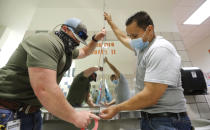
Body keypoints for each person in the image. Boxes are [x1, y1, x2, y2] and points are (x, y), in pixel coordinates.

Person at [0, 18, 105, 129]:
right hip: (8, 111)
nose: (77, 43)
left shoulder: (66, 50)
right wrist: (75, 116)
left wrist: (95, 39)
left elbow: (85, 51)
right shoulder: (46, 42)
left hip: (32, 113)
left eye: (80, 40)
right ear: (64, 29)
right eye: (76, 37)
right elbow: (44, 89)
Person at [100, 12, 192, 130]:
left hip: (166, 121)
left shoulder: (159, 49)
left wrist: (117, 108)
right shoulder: (142, 47)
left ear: (149, 29)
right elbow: (123, 37)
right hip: (151, 119)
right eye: (130, 35)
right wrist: (110, 21)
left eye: (134, 35)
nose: (132, 40)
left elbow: (150, 96)